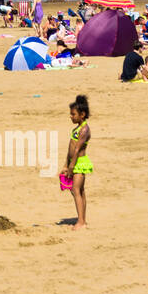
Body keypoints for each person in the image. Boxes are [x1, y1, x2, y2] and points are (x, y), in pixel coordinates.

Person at [60, 95, 92, 230]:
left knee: (76, 190)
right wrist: (65, 165)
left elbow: (78, 148)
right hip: (73, 163)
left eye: (73, 114)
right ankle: (82, 219)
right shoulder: (76, 129)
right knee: (79, 191)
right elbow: (70, 149)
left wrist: (72, 166)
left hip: (80, 163)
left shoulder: (84, 129)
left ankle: (81, 221)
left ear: (82, 114)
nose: (71, 116)